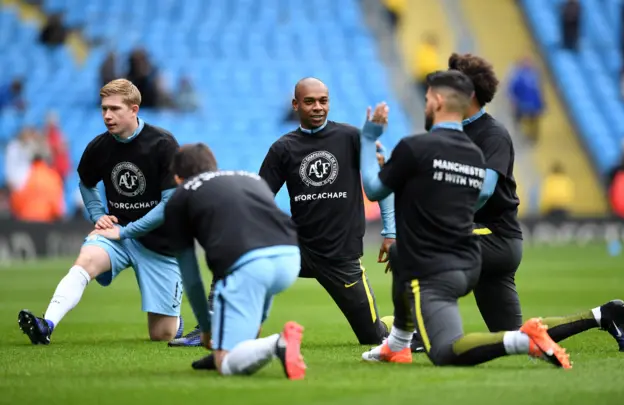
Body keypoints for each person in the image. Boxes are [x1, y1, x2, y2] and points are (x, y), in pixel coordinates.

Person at [409, 53, 624, 353]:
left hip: (496, 236)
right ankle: (602, 315)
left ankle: (420, 338)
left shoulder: (492, 134)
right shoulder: (452, 130)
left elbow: (484, 191)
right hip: (483, 238)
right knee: (519, 338)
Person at [359, 71, 571, 368]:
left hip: (434, 265)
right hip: (469, 263)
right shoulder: (474, 155)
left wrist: (369, 138)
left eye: (427, 100)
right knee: (400, 252)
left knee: (445, 351)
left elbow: (372, 188)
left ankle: (524, 339)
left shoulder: (415, 147)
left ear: (438, 101)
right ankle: (397, 344)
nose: (425, 106)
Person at [171, 77, 397, 347]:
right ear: (295, 104)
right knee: (234, 254)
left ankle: (404, 325)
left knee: (372, 337)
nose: (317, 107)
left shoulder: (351, 137)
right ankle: (208, 328)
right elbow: (260, 194)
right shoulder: (283, 148)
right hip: (296, 248)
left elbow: (380, 182)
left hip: (341, 256)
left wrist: (390, 231)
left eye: (323, 101)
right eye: (310, 101)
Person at [18, 79, 184, 344]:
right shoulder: (99, 147)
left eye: (115, 109)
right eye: (104, 108)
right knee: (86, 260)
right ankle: (45, 324)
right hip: (116, 234)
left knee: (161, 334)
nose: (107, 115)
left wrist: (126, 230)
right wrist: (97, 215)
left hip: (160, 243)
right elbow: (86, 182)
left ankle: (174, 321)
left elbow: (169, 205)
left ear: (134, 109)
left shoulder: (163, 144)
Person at [164, 143, 306, 379]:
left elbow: (191, 277)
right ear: (214, 166)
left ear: (178, 178)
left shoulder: (180, 196)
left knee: (225, 365)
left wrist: (206, 329)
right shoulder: (249, 178)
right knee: (248, 328)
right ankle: (245, 343)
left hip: (250, 266)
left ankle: (277, 344)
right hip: (290, 256)